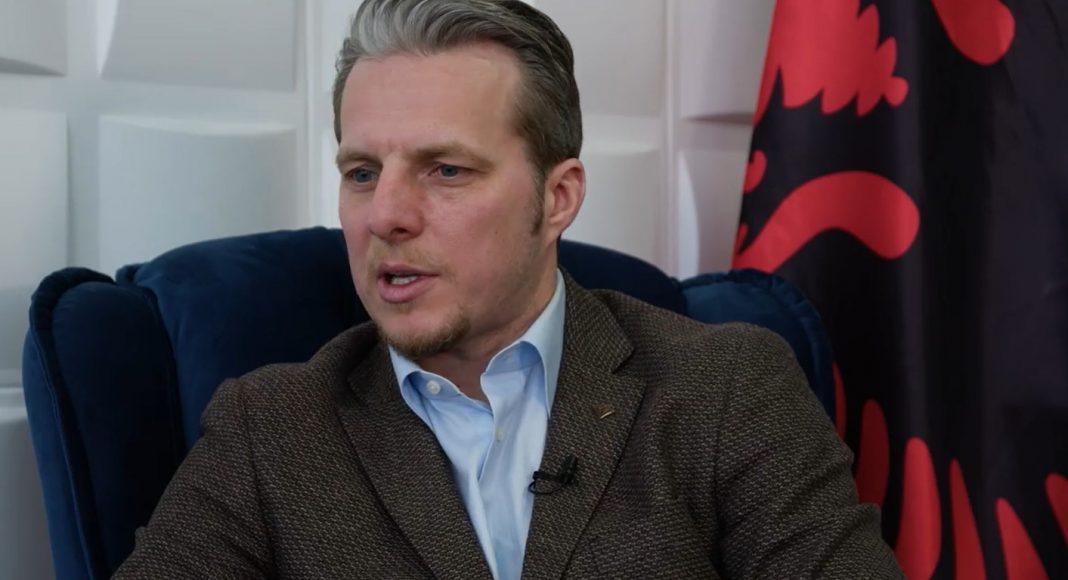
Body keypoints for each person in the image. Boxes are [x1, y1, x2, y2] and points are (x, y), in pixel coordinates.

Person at [115, 1, 902, 578]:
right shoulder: (269, 428)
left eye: (445, 169)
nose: (385, 214)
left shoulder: (725, 388)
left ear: (557, 198)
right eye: (362, 172)